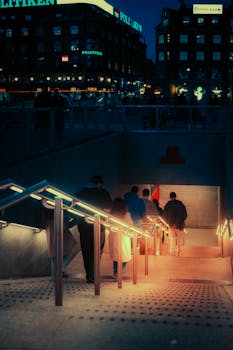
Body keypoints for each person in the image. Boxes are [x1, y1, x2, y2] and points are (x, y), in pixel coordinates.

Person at [75, 176, 112, 283]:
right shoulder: (103, 193)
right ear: (99, 184)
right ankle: (94, 274)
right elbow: (109, 206)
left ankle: (89, 275)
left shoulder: (80, 193)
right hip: (99, 225)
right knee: (97, 251)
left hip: (84, 226)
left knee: (86, 251)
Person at [45, 208, 79, 279]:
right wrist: (76, 220)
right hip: (62, 234)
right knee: (67, 251)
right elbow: (67, 224)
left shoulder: (47, 212)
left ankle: (55, 275)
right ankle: (61, 270)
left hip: (51, 233)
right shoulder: (62, 212)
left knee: (54, 255)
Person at [108, 198, 133, 282]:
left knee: (116, 257)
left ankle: (115, 273)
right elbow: (130, 225)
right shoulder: (126, 214)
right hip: (124, 236)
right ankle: (119, 275)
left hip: (113, 236)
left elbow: (108, 225)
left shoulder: (111, 214)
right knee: (124, 258)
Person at [163, 192, 187, 256]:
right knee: (179, 238)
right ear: (175, 196)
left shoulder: (168, 204)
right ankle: (179, 251)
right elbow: (185, 214)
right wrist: (181, 221)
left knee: (172, 238)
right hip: (179, 224)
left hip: (171, 225)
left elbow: (165, 215)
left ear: (170, 197)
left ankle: (172, 252)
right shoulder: (180, 203)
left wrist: (168, 222)